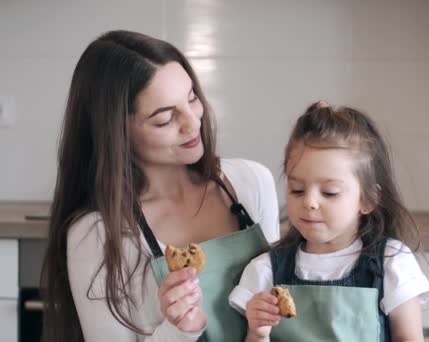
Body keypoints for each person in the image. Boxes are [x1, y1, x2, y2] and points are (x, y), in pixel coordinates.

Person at [41, 30, 280, 342]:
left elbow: (283, 310)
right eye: (165, 119)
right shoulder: (99, 233)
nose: (193, 122)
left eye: (192, 97)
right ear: (117, 132)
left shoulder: (251, 183)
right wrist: (178, 330)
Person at [228, 101, 429, 342]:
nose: (310, 202)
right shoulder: (264, 272)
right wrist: (257, 332)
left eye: (329, 192)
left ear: (367, 200)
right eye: (297, 190)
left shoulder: (391, 262)